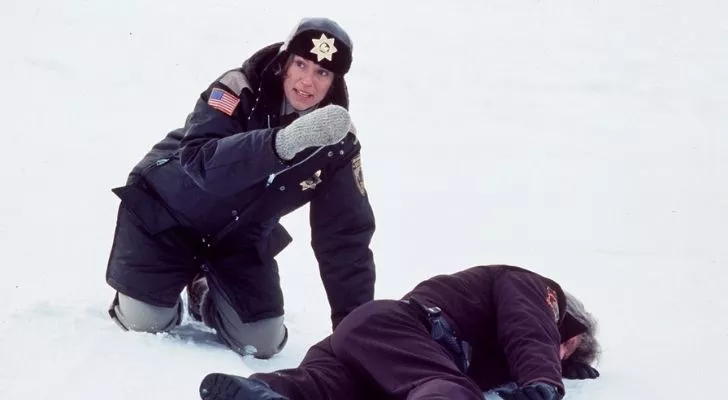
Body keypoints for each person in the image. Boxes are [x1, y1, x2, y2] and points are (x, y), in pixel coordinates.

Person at [104, 17, 375, 359]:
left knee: (262, 344)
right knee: (147, 322)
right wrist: (282, 143)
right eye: (301, 65)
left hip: (237, 239)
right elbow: (201, 163)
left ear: (335, 82)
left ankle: (202, 290)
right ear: (284, 63)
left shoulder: (337, 142)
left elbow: (344, 237)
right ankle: (154, 294)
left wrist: (356, 331)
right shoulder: (238, 87)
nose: (307, 81)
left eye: (322, 73)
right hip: (166, 215)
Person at [198, 265, 601, 400]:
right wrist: (544, 376)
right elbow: (529, 329)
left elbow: (526, 344)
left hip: (368, 346)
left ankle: (269, 390)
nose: (562, 355)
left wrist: (555, 369)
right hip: (404, 328)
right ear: (566, 326)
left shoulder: (509, 352)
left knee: (323, 386)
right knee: (445, 385)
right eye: (570, 347)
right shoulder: (536, 289)